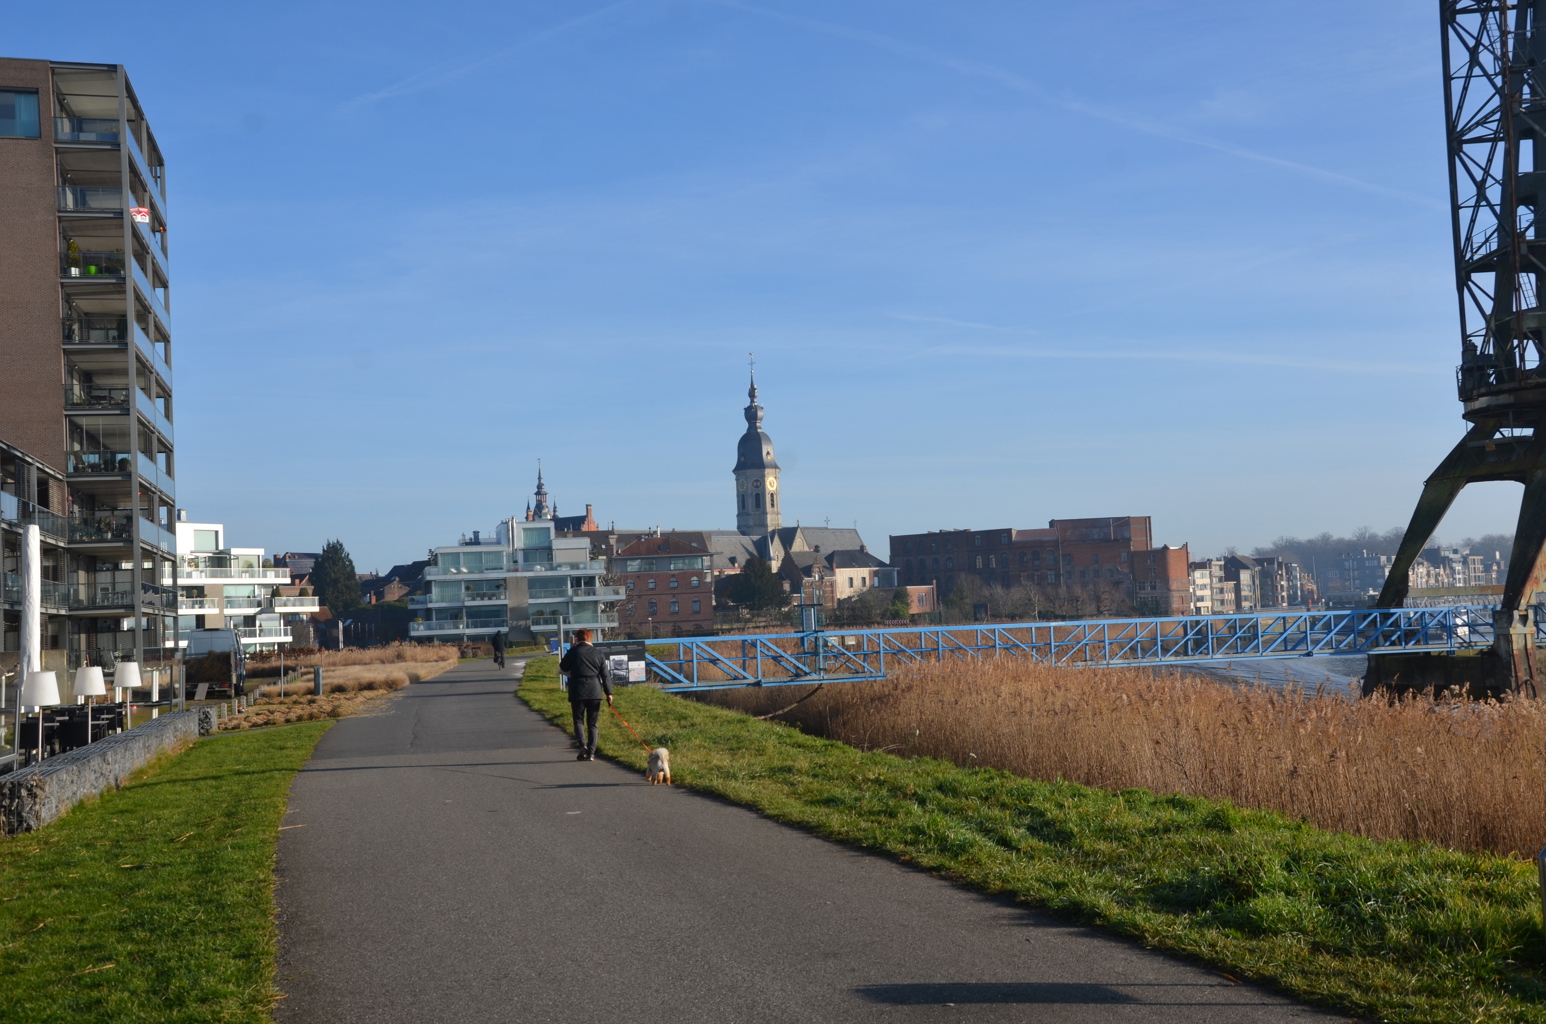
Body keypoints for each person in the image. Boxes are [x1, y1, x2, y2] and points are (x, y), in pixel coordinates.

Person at [559, 629, 611, 760]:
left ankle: (583, 745)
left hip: (577, 690)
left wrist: (572, 650)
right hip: (595, 690)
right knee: (593, 724)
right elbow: (605, 675)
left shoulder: (574, 651)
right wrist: (609, 693)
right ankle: (591, 753)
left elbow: (563, 666)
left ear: (577, 638)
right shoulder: (598, 653)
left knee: (578, 721)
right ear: (590, 638)